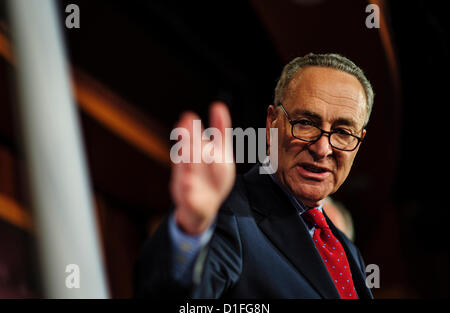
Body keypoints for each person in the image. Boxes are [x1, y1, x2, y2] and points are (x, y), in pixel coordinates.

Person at [134, 53, 374, 299]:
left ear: (359, 142)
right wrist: (190, 230)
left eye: (343, 132)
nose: (322, 149)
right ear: (272, 123)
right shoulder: (229, 213)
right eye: (305, 122)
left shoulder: (347, 250)